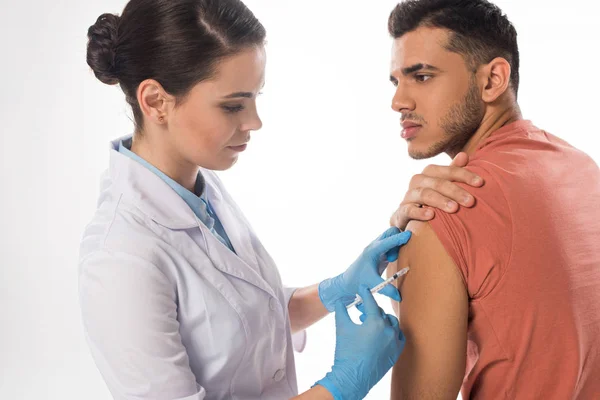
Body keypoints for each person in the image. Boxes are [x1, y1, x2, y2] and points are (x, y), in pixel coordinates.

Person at [80, 0, 484, 399]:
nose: (254, 121)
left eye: (256, 97)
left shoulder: (196, 187)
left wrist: (335, 289)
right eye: (233, 105)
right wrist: (342, 384)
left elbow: (248, 316)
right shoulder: (121, 255)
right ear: (155, 102)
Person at [385, 0, 600, 399]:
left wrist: (411, 249)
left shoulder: (443, 212)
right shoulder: (584, 168)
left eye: (422, 76)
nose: (399, 101)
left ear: (492, 79)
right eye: (396, 81)